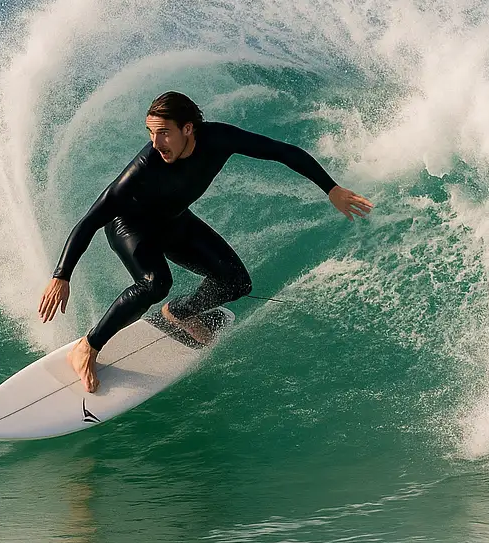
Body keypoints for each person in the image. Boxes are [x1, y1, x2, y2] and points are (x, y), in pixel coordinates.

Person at [38, 92, 374, 392]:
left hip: (172, 221)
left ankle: (179, 314)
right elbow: (93, 217)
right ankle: (89, 346)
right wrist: (61, 274)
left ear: (188, 129)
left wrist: (332, 189)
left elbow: (280, 151)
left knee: (236, 282)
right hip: (130, 225)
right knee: (155, 283)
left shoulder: (218, 138)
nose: (156, 143)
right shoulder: (145, 166)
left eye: (163, 132)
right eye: (151, 133)